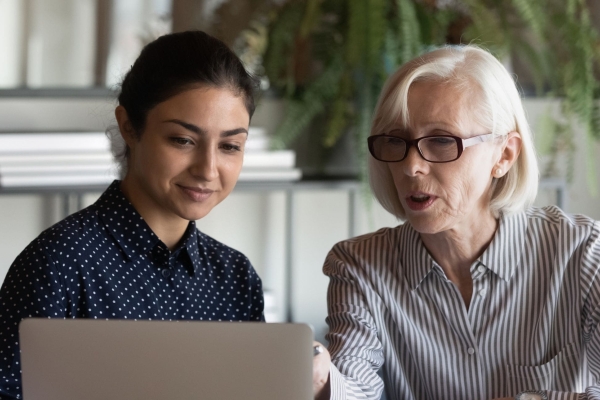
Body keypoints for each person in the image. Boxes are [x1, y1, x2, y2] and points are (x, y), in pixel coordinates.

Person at [312, 44, 600, 400]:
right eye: (396, 141)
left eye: (441, 141)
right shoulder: (359, 266)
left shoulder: (583, 253)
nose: (410, 166)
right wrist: (320, 379)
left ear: (505, 155)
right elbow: (353, 389)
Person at [0, 30, 264, 399]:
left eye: (230, 146)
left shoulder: (235, 278)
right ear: (129, 126)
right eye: (182, 140)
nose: (208, 169)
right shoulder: (58, 263)